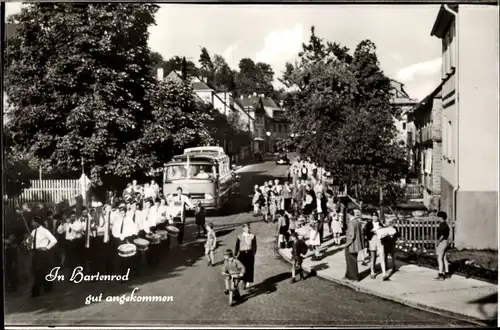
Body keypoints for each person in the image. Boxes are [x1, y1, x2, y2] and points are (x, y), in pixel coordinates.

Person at [26, 216, 58, 298]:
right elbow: (29, 240)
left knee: (39, 272)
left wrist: (46, 247)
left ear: (37, 222)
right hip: (35, 253)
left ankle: (36, 292)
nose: (32, 224)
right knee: (40, 272)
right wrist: (28, 240)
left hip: (42, 253)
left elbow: (54, 240)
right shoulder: (34, 231)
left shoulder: (45, 231)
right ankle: (48, 286)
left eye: (33, 222)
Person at [343, 209, 364, 282]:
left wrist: (346, 244)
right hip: (357, 245)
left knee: (351, 261)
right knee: (352, 260)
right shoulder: (357, 222)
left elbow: (351, 236)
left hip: (351, 245)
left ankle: (354, 277)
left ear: (349, 215)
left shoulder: (351, 223)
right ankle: (348, 275)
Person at [234, 223, 257, 289]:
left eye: (249, 228)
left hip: (249, 254)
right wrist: (235, 254)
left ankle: (248, 281)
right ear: (243, 229)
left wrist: (253, 253)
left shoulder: (252, 236)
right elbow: (237, 246)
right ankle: (244, 280)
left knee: (249, 268)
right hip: (242, 254)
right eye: (246, 228)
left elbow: (254, 246)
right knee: (242, 268)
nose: (248, 229)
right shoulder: (239, 236)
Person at [365, 213, 382, 279]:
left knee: (376, 255)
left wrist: (381, 229)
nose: (375, 218)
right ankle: (372, 271)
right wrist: (372, 231)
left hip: (379, 240)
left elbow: (383, 231)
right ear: (372, 217)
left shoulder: (380, 223)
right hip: (372, 240)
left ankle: (374, 268)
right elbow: (366, 232)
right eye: (373, 217)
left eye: (376, 217)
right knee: (372, 255)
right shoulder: (369, 224)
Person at [435, 211, 451, 281]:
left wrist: (437, 242)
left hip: (442, 242)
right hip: (446, 242)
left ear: (441, 217)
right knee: (444, 258)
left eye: (438, 217)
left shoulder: (442, 225)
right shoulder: (446, 224)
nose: (438, 218)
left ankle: (440, 275)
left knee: (439, 258)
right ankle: (447, 273)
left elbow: (442, 235)